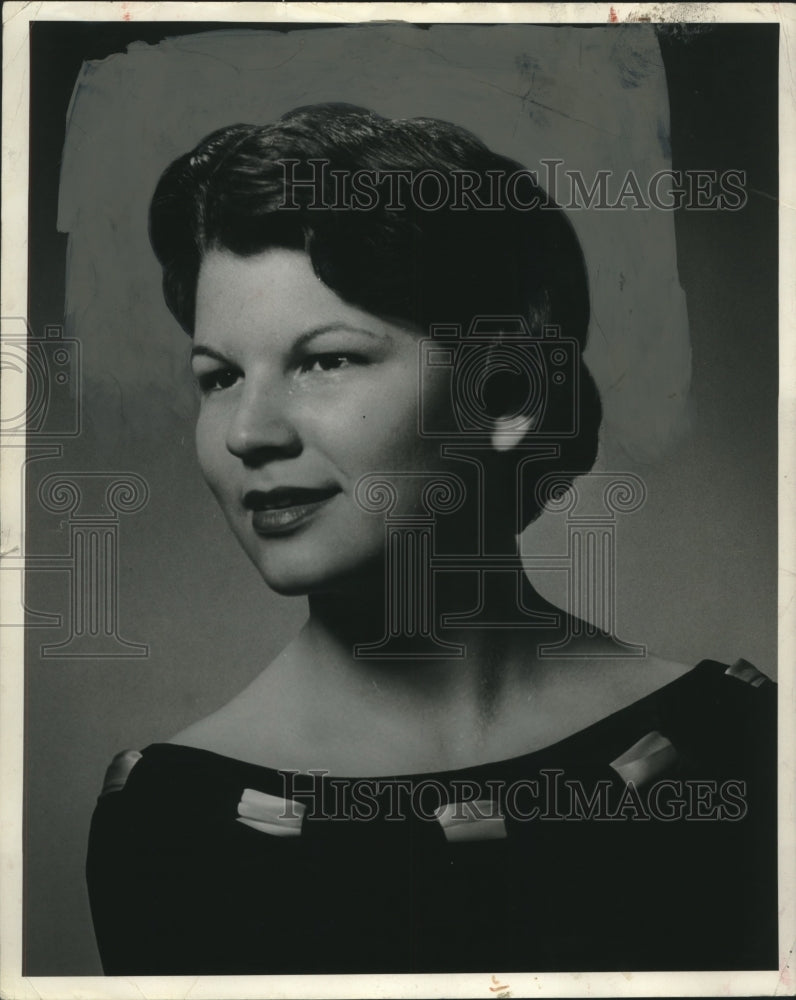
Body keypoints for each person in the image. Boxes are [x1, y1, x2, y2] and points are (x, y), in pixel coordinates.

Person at [86, 104, 777, 975]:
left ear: (507, 394)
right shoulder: (171, 831)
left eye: (325, 359)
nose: (246, 432)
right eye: (218, 377)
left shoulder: (744, 747)